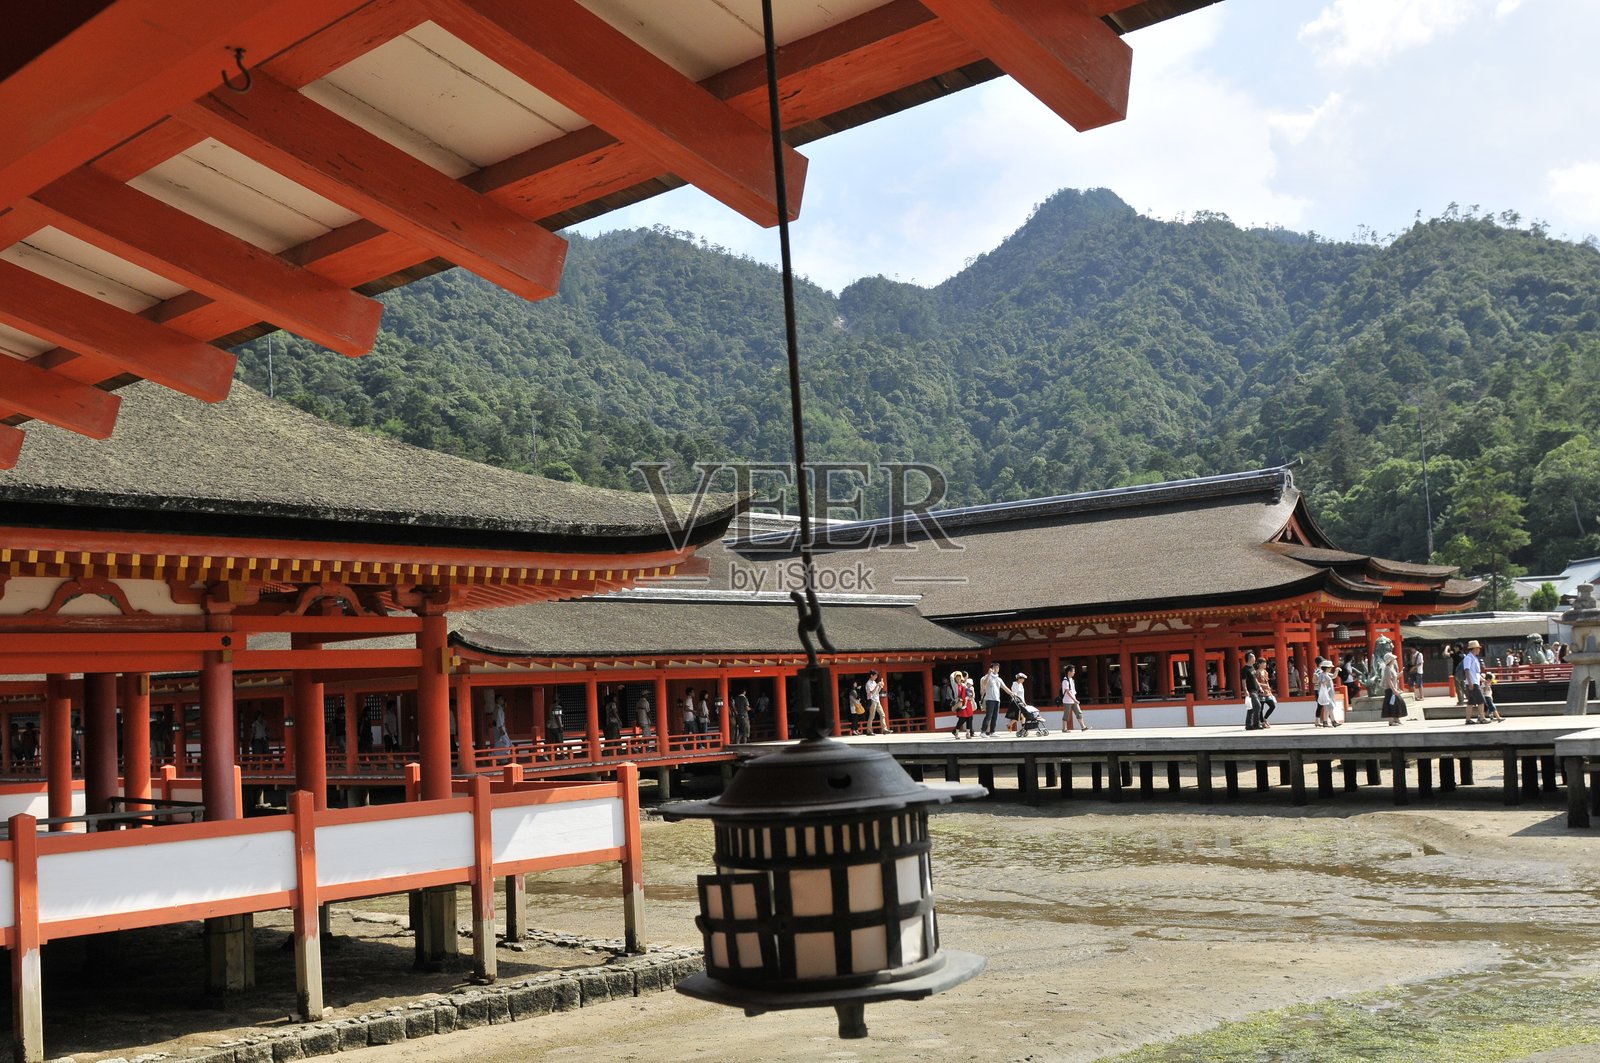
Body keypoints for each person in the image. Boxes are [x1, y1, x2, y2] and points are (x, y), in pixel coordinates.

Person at [1461, 639, 1490, 724]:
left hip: (1474, 682)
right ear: (1473, 648)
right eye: (1477, 648)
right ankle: (1482, 718)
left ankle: (1468, 719)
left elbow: (1476, 672)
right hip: (1472, 683)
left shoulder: (1474, 658)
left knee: (1471, 702)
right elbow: (1466, 670)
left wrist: (1483, 680)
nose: (1479, 649)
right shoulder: (1468, 658)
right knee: (1481, 700)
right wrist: (1470, 682)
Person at [1379, 650, 1405, 726]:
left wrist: (1399, 674)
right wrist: (1394, 690)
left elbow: (1394, 677)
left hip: (1394, 689)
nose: (1394, 660)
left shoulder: (1392, 667)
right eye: (1393, 659)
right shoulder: (1387, 668)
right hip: (1390, 690)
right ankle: (1391, 721)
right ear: (1390, 660)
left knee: (1397, 704)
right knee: (1391, 705)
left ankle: (1397, 719)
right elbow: (1388, 680)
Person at [979, 663, 1005, 737]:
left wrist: (1012, 693)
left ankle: (992, 732)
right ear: (991, 668)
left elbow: (1004, 687)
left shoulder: (998, 679)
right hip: (989, 699)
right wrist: (988, 674)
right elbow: (984, 683)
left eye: (997, 668)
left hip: (997, 700)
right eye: (994, 667)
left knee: (995, 716)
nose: (996, 669)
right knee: (988, 716)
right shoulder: (987, 677)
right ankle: (983, 732)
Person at [1241, 651, 1265, 730]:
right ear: (1250, 659)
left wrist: (1260, 687)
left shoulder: (1252, 668)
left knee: (1251, 708)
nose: (1255, 658)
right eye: (1253, 657)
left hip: (1255, 690)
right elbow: (1243, 681)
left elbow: (1255, 679)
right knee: (1258, 706)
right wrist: (1245, 690)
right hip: (1251, 691)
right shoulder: (1245, 669)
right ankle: (1256, 724)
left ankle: (1248, 725)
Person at [1060, 664, 1087, 733]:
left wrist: (1074, 699)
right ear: (1069, 672)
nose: (1074, 672)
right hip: (1067, 701)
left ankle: (1083, 727)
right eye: (1073, 671)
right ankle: (1064, 728)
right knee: (1066, 715)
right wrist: (1075, 700)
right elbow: (1068, 692)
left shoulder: (1071, 680)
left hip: (1073, 699)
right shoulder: (1065, 681)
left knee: (1079, 713)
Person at [950, 671, 976, 738]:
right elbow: (951, 677)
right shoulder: (955, 685)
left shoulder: (964, 685)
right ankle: (956, 733)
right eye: (957, 677)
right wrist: (956, 672)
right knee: (962, 719)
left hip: (967, 703)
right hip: (960, 703)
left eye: (959, 677)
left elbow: (969, 693)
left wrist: (971, 697)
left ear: (961, 678)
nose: (958, 679)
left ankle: (968, 734)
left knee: (969, 718)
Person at [1312, 656, 1336, 727]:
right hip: (1318, 690)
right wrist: (1321, 682)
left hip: (1322, 690)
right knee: (1321, 706)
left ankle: (1326, 721)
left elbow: (1333, 676)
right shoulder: (1317, 671)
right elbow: (1314, 680)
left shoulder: (1322, 671)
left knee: (1324, 706)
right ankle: (1319, 721)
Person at [864, 670, 889, 734]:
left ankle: (884, 729)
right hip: (872, 700)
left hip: (877, 700)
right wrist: (877, 685)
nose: (876, 677)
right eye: (875, 675)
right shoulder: (868, 683)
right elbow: (871, 692)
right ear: (871, 675)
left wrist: (880, 686)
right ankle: (869, 731)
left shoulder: (874, 682)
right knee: (872, 716)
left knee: (882, 714)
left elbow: (877, 692)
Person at [1255, 662, 1277, 728]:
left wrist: (1269, 689)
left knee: (1272, 705)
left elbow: (1267, 681)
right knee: (1261, 708)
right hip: (1261, 691)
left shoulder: (1265, 672)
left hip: (1267, 691)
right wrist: (1263, 685)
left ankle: (1265, 718)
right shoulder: (1257, 672)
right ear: (1259, 664)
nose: (1265, 664)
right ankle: (1262, 722)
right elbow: (1256, 682)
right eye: (1263, 663)